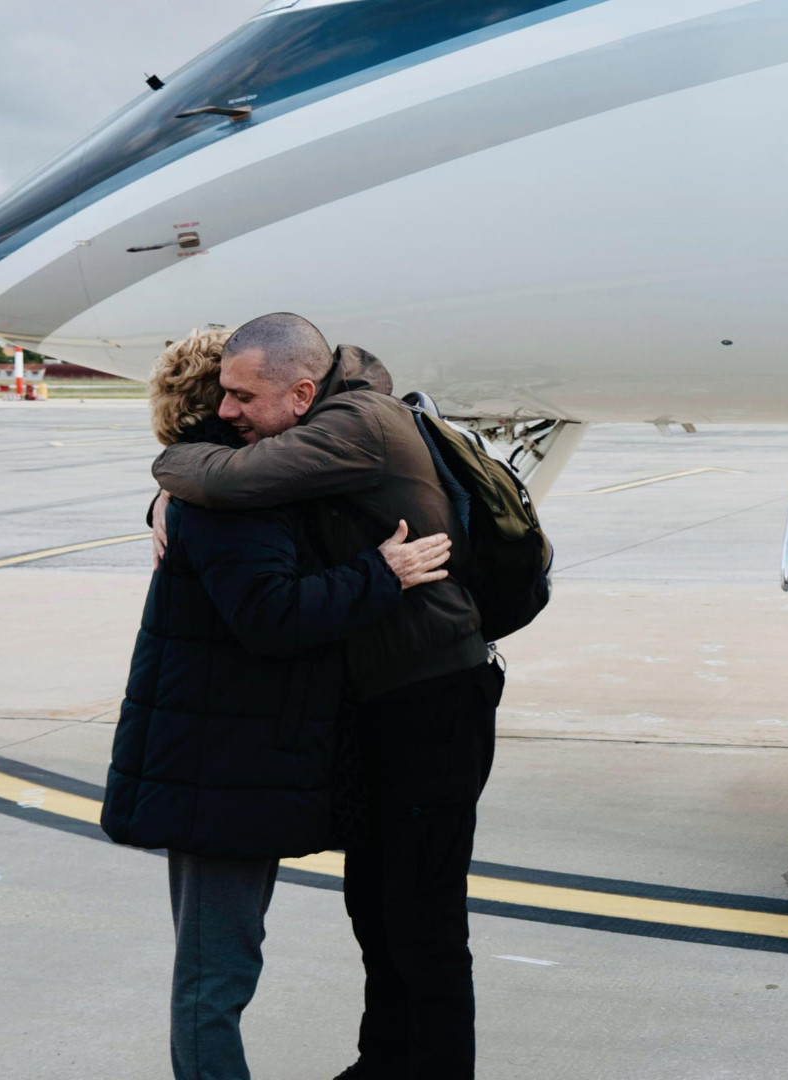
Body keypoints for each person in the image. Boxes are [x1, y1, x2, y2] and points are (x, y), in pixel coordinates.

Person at [149, 313, 498, 1080]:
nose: (231, 411)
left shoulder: (358, 423)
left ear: (303, 393)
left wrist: (170, 476)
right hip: (383, 702)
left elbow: (227, 483)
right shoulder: (316, 423)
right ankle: (385, 1064)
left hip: (433, 699)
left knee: (422, 919)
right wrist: (168, 499)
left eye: (243, 398)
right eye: (223, 397)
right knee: (377, 908)